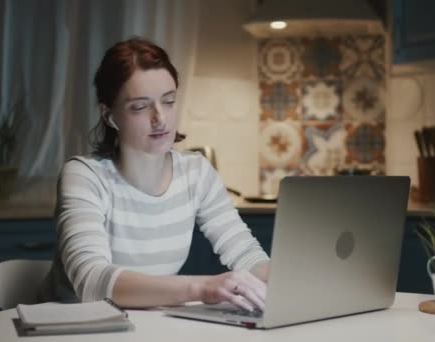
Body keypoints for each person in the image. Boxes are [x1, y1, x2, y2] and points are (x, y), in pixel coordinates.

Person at [38, 37, 270, 312]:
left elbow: (246, 254)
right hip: (70, 328)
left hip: (145, 327)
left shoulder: (195, 172)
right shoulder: (85, 176)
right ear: (109, 115)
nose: (160, 118)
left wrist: (293, 282)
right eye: (139, 106)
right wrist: (202, 288)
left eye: (169, 101)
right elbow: (92, 281)